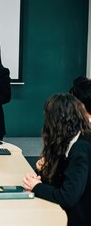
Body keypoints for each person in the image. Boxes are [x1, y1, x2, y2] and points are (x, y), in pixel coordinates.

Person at [23, 93, 91, 225]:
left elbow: (68, 196)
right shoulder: (71, 139)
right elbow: (59, 179)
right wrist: (41, 174)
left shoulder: (81, 149)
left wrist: (37, 187)